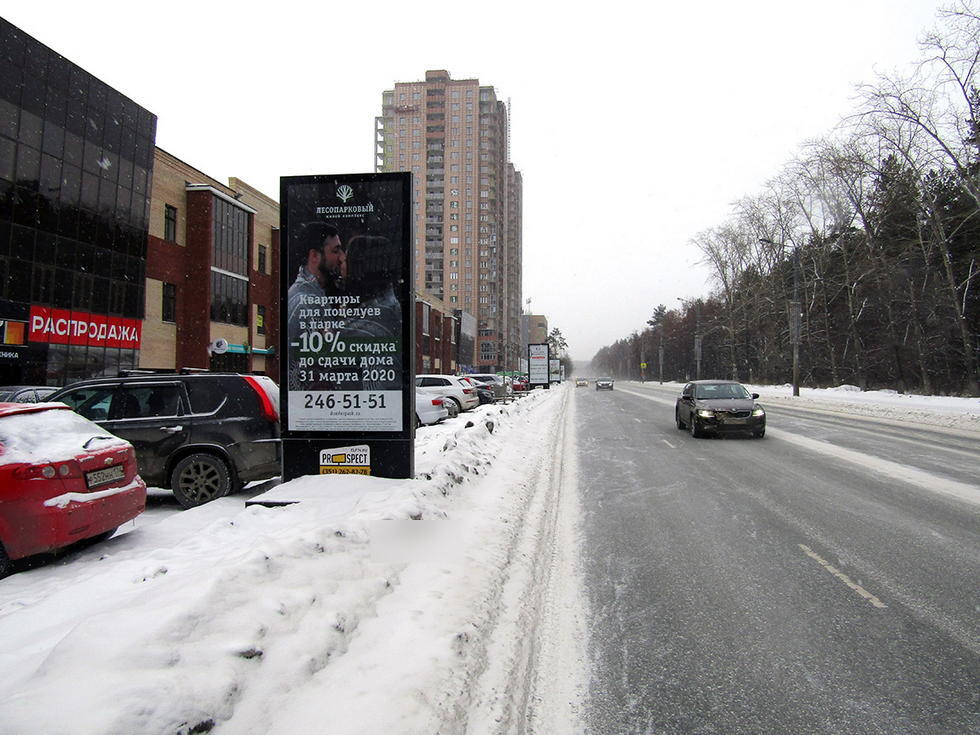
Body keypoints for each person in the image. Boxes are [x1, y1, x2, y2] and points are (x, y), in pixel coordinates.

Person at [286, 222, 345, 390]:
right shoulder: (304, 304)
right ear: (314, 256)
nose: (341, 257)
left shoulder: (316, 297)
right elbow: (301, 372)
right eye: (335, 251)